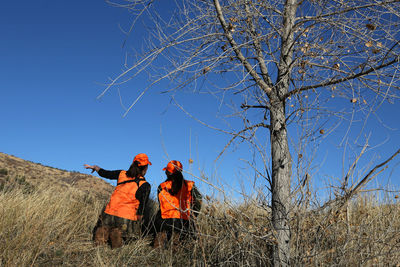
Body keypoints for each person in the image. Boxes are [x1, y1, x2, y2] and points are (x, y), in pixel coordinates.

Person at [84, 153, 151, 249]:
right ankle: (116, 244)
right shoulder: (145, 185)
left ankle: (98, 246)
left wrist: (95, 167)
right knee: (118, 236)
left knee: (102, 230)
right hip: (125, 216)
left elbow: (105, 173)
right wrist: (140, 220)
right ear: (145, 168)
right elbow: (142, 206)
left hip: (109, 212)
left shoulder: (121, 174)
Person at [153, 160, 202, 249]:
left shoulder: (161, 186)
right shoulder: (190, 185)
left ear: (167, 173)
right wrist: (194, 215)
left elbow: (160, 204)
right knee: (176, 248)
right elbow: (198, 200)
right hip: (183, 221)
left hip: (163, 221)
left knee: (158, 248)